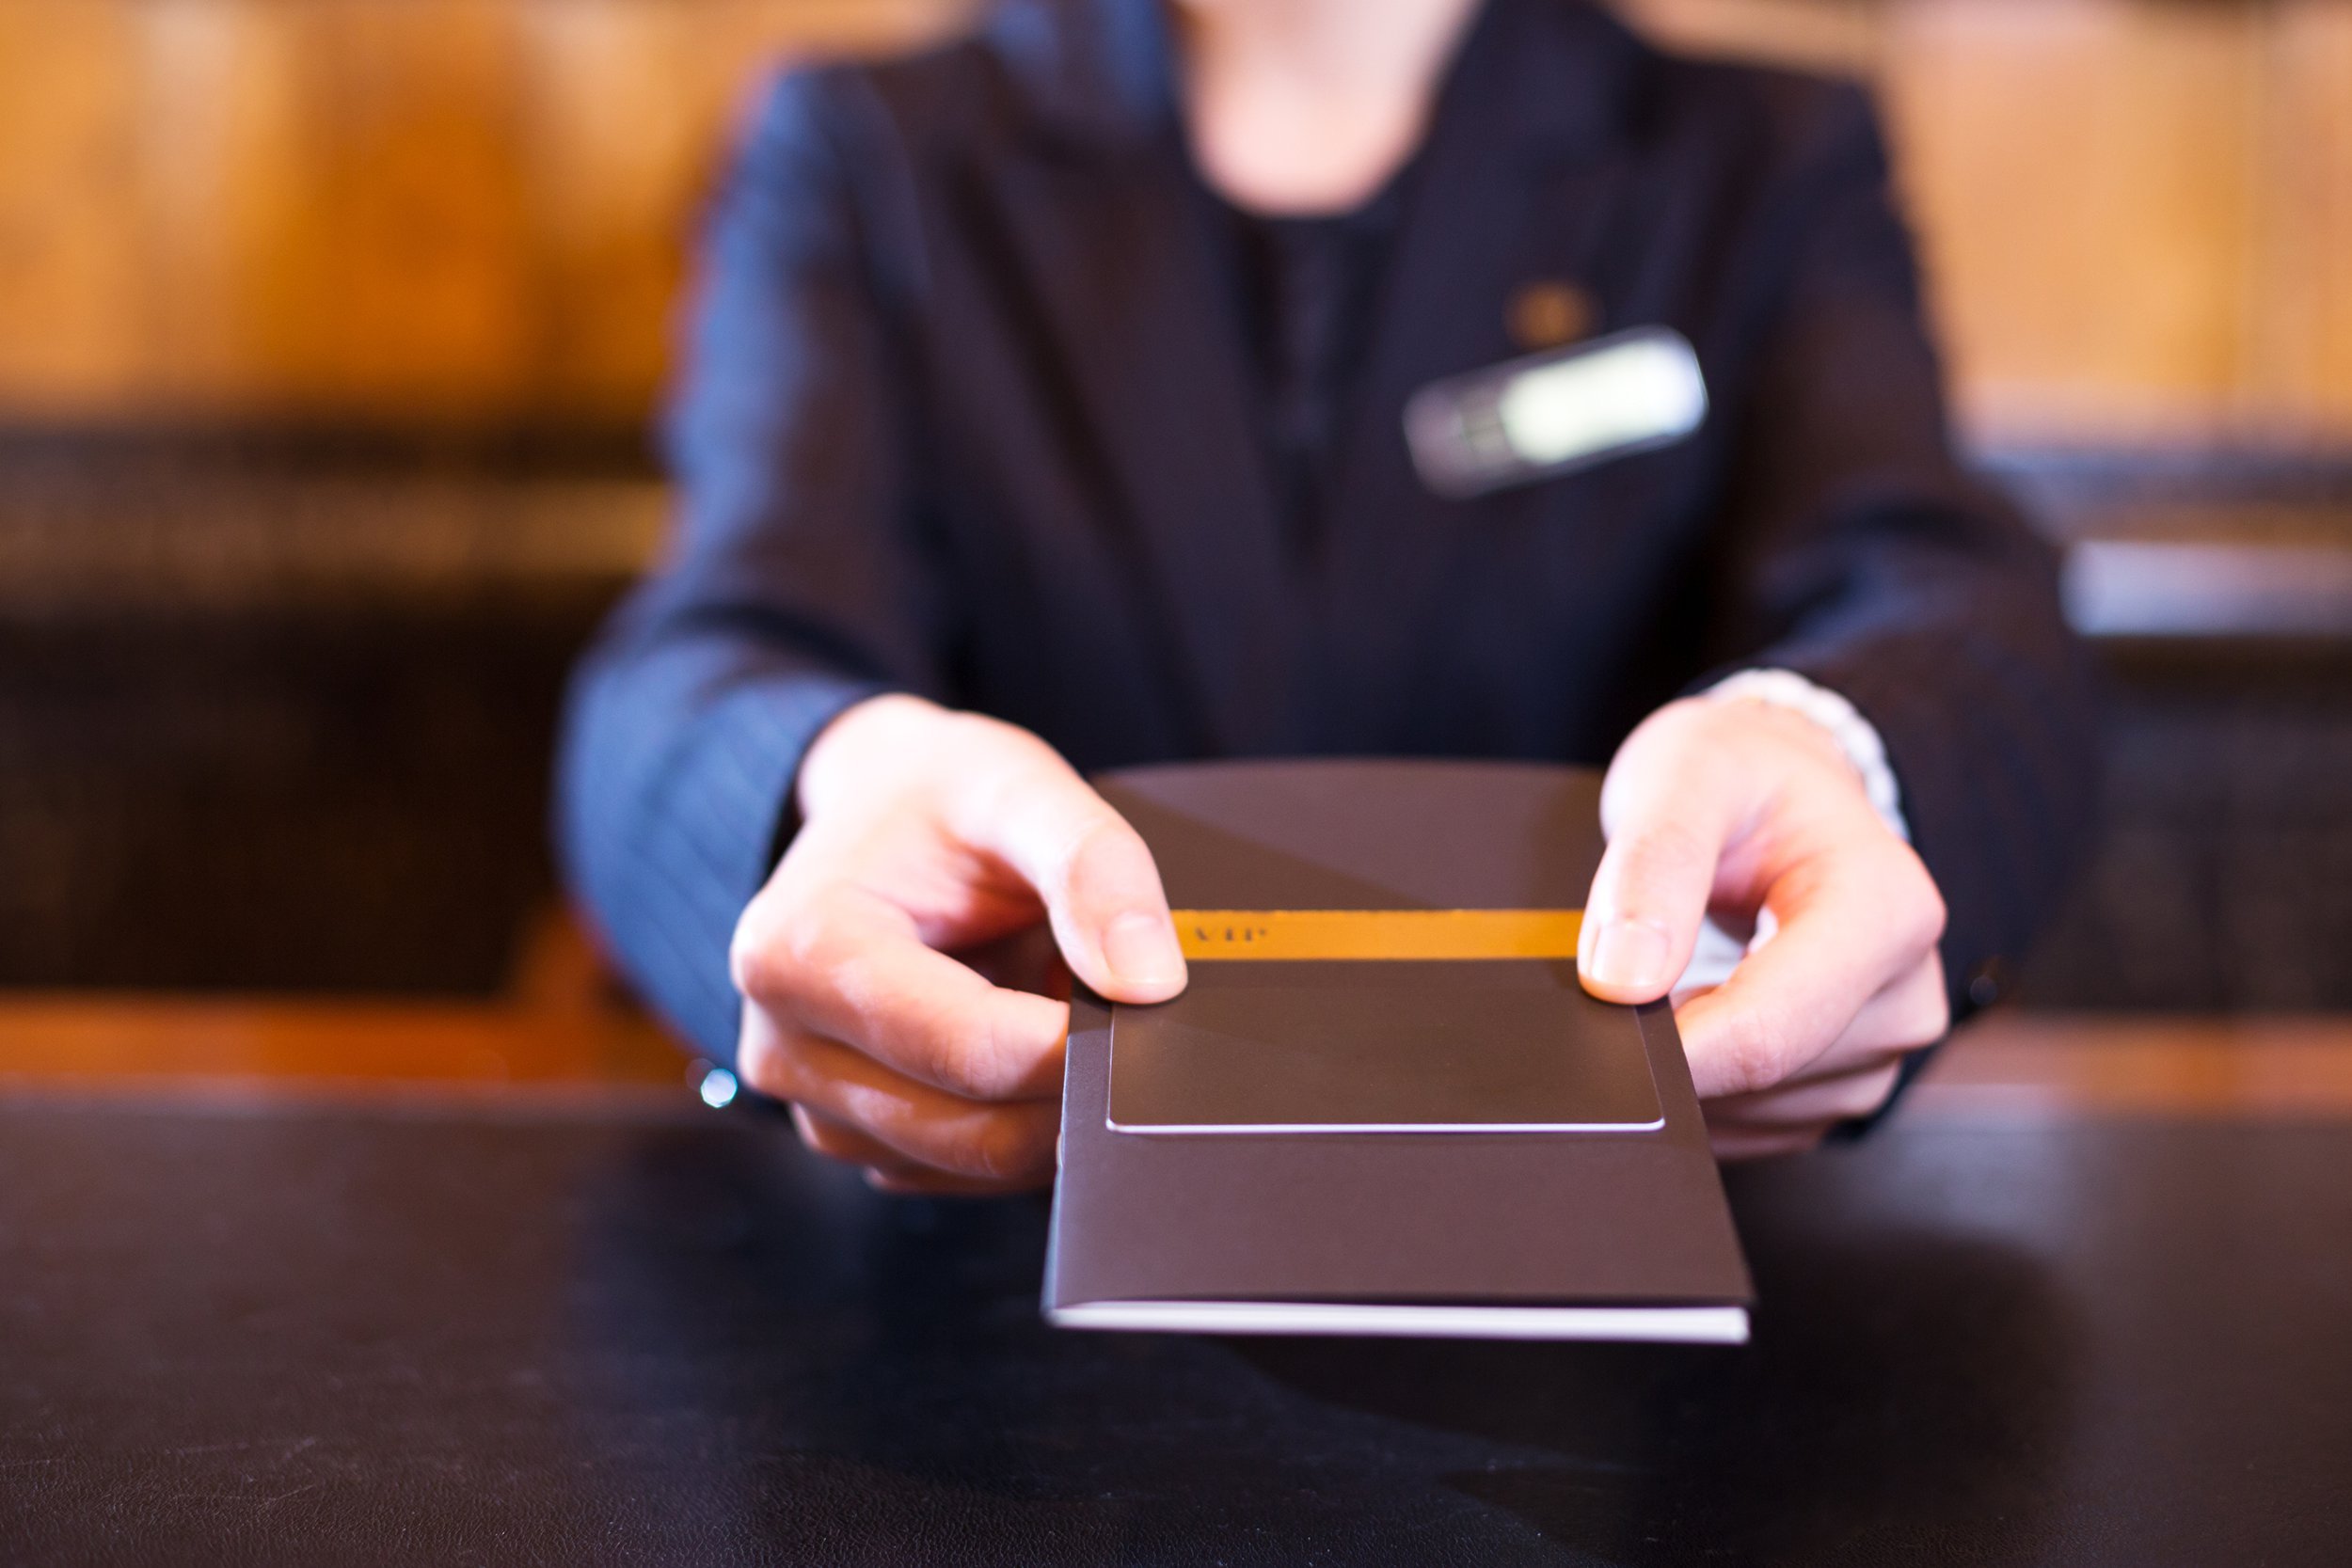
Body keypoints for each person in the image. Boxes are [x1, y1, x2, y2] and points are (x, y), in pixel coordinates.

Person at [558, 0, 2096, 1191]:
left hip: (1630, 1268)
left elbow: (1947, 592)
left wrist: (1836, 754)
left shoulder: (1764, 159)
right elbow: (713, 652)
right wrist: (827, 786)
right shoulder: (869, 153)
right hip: (979, 1291)